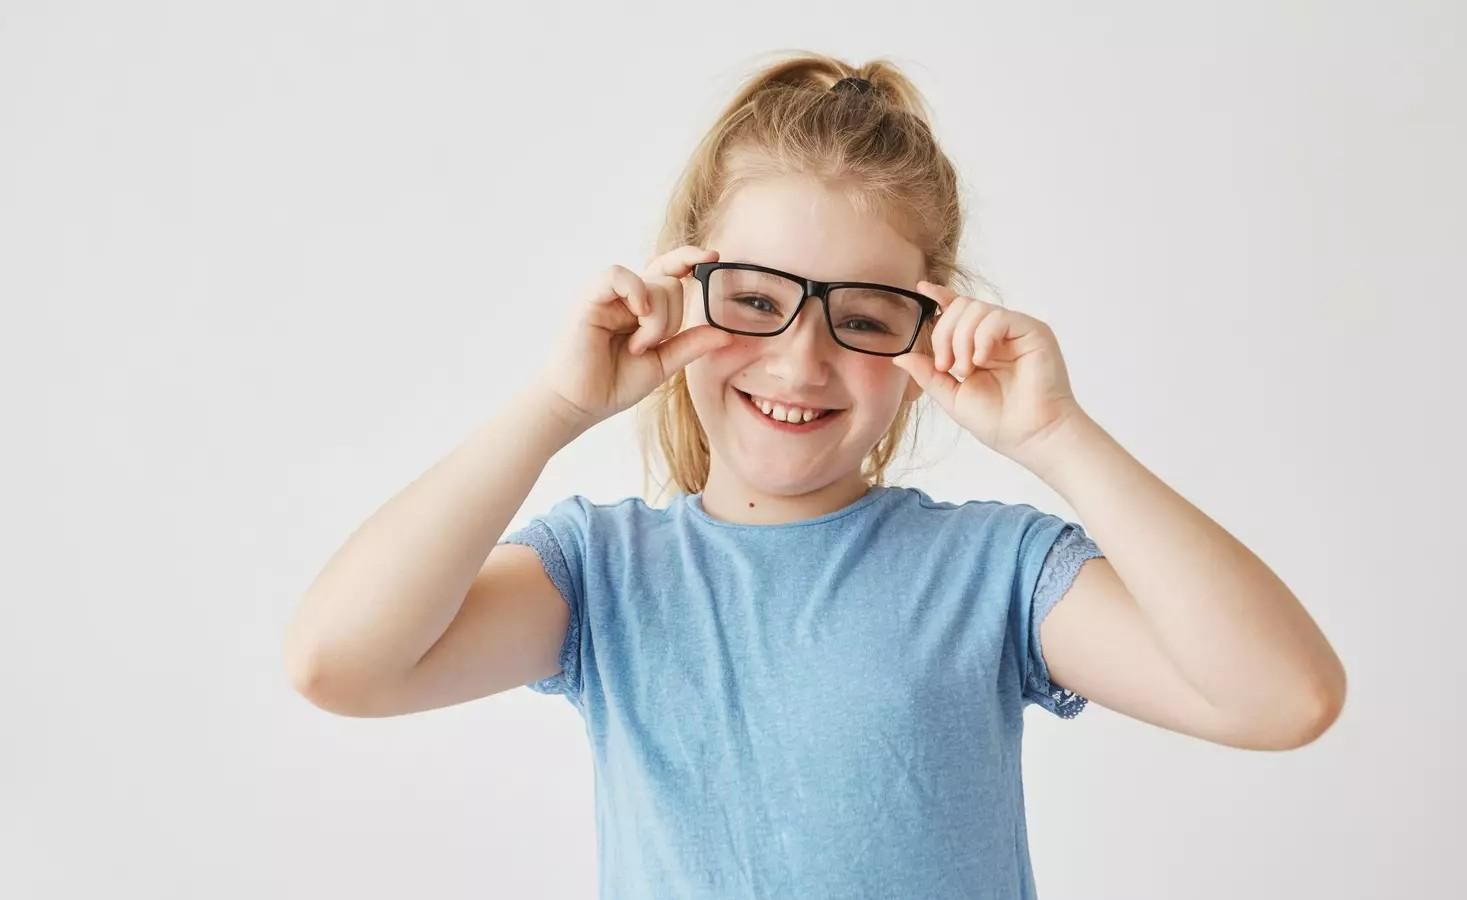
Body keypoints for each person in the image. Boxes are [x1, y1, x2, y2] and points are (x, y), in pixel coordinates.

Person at [284, 52, 1347, 900]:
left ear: (925, 340)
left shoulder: (992, 574)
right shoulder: (600, 576)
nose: (800, 360)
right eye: (754, 299)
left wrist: (1059, 435)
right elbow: (340, 664)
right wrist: (552, 410)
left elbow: (1282, 699)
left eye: (864, 317)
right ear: (682, 290)